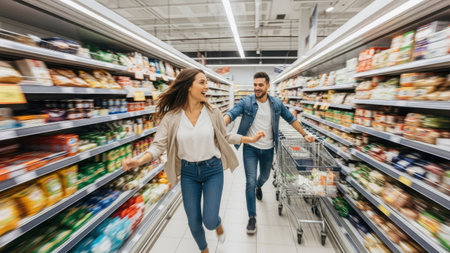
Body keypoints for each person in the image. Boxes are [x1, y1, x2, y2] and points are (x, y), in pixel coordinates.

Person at [123, 68, 265, 253]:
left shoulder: (213, 112)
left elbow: (225, 136)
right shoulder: (172, 117)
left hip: (212, 170)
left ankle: (218, 224)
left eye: (207, 82)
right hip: (188, 173)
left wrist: (249, 139)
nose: (207, 87)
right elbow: (158, 146)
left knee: (210, 219)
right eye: (202, 82)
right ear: (189, 86)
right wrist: (139, 161)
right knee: (194, 221)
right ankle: (204, 250)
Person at [224, 72, 315, 234]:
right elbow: (232, 113)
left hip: (268, 149)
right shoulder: (246, 102)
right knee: (249, 182)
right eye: (255, 85)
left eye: (260, 85)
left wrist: (304, 134)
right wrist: (220, 124)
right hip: (250, 148)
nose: (257, 88)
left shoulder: (277, 104)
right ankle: (252, 217)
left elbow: (291, 119)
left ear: (267, 86)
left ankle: (260, 186)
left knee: (264, 177)